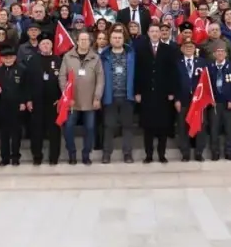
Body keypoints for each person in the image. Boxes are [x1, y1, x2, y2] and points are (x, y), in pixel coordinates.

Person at [59, 30, 103, 165]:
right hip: (72, 100)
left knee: (90, 128)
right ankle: (72, 153)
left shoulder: (96, 58)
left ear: (90, 42)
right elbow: (62, 77)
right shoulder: (68, 57)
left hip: (90, 100)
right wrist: (66, 96)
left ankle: (86, 154)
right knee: (69, 127)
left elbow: (100, 79)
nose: (84, 42)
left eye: (86, 40)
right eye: (81, 40)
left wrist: (97, 97)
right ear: (77, 41)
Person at [135, 21, 177, 163]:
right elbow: (137, 72)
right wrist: (138, 92)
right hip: (146, 93)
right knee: (148, 126)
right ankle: (148, 155)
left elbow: (173, 72)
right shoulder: (141, 49)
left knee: (163, 126)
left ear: (160, 33)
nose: (154, 34)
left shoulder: (168, 49)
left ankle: (161, 154)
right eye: (152, 31)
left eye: (157, 31)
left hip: (163, 93)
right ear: (148, 33)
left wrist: (172, 91)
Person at [99, 27, 136, 164]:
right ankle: (106, 153)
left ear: (123, 39)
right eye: (114, 38)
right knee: (109, 126)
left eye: (119, 38)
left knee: (127, 126)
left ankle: (127, 154)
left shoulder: (131, 54)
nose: (117, 40)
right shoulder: (104, 56)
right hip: (110, 96)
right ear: (110, 39)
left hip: (127, 96)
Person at [25, 34, 63, 165]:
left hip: (54, 102)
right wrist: (28, 99)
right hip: (37, 101)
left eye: (48, 43)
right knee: (36, 130)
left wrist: (61, 98)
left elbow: (63, 81)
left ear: (52, 45)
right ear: (39, 46)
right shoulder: (32, 60)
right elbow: (27, 81)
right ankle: (37, 156)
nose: (45, 46)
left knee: (54, 131)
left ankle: (54, 157)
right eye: (43, 44)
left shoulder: (58, 60)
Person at [173, 36, 209, 161]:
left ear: (195, 49)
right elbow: (174, 82)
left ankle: (199, 152)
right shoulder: (177, 63)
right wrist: (176, 99)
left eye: (191, 47)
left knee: (200, 126)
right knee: (183, 127)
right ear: (182, 49)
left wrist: (205, 99)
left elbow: (207, 82)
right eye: (186, 47)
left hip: (198, 101)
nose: (189, 48)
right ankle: (185, 153)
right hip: (183, 100)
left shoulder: (202, 62)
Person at [0, 47, 27, 166]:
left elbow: (25, 87)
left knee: (16, 133)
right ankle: (5, 157)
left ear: (15, 58)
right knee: (4, 133)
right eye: (5, 58)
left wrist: (23, 102)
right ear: (1, 59)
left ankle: (15, 157)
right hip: (2, 105)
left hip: (17, 105)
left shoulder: (22, 69)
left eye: (10, 57)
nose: (8, 60)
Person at [206, 41, 231, 160]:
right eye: (217, 52)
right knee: (214, 129)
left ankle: (229, 152)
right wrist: (209, 99)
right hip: (214, 104)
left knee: (229, 129)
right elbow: (206, 85)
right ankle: (215, 152)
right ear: (214, 54)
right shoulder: (209, 67)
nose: (220, 54)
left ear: (226, 54)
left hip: (228, 103)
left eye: (222, 52)